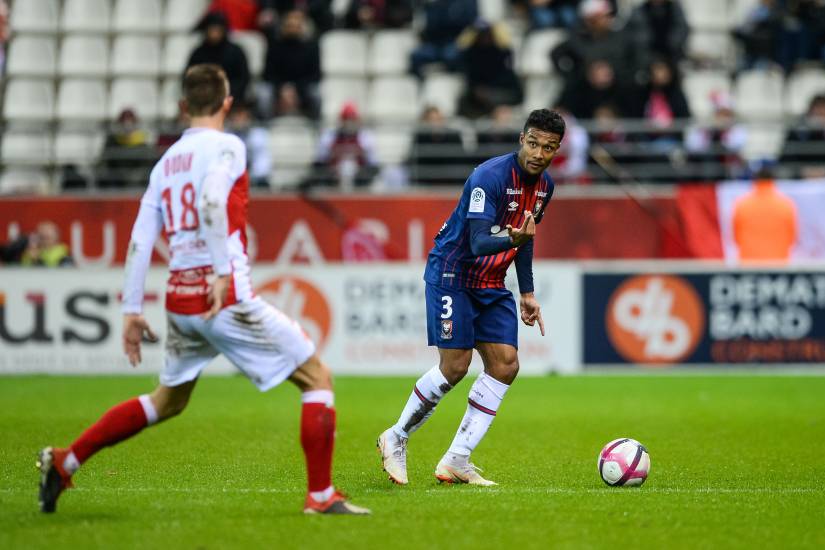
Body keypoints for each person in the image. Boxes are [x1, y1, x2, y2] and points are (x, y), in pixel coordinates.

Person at [36, 64, 370, 516]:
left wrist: (132, 309)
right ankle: (321, 495)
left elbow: (139, 238)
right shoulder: (228, 146)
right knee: (317, 378)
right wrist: (218, 271)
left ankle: (64, 461)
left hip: (179, 300)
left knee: (166, 401)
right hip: (224, 297)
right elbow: (213, 201)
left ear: (182, 107)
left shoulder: (165, 163)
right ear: (227, 104)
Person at [376, 109, 563, 486]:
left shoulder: (545, 187)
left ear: (556, 151)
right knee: (455, 366)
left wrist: (526, 291)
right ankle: (396, 436)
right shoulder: (489, 178)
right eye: (533, 143)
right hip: (453, 274)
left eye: (548, 147)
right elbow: (479, 241)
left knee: (506, 365)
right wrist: (514, 239)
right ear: (521, 140)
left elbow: (526, 236)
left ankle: (457, 458)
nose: (538, 153)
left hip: (491, 281)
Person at [732, 164, 798, 262]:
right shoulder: (786, 205)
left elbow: (736, 237)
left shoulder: (742, 204)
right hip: (778, 263)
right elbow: (792, 237)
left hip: (748, 263)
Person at [187, 11, 251, 101]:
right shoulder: (198, 53)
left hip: (231, 99)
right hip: (203, 101)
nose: (214, 34)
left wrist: (226, 93)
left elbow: (243, 79)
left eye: (217, 30)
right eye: (211, 30)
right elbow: (190, 78)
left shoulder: (235, 52)